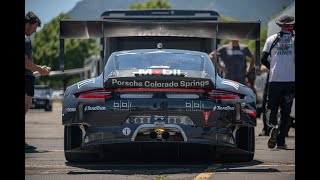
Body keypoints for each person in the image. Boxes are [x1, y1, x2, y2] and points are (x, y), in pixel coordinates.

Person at [261, 15, 295, 149]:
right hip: (291, 82)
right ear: (291, 26)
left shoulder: (272, 39)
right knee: (286, 112)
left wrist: (273, 68)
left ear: (280, 26)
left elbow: (263, 59)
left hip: (275, 81)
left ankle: (272, 127)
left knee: (272, 108)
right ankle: (281, 141)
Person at [25, 11, 51, 151]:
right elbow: (26, 63)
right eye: (34, 27)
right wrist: (40, 69)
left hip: (28, 77)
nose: (35, 31)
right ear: (28, 24)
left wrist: (35, 71)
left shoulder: (27, 39)